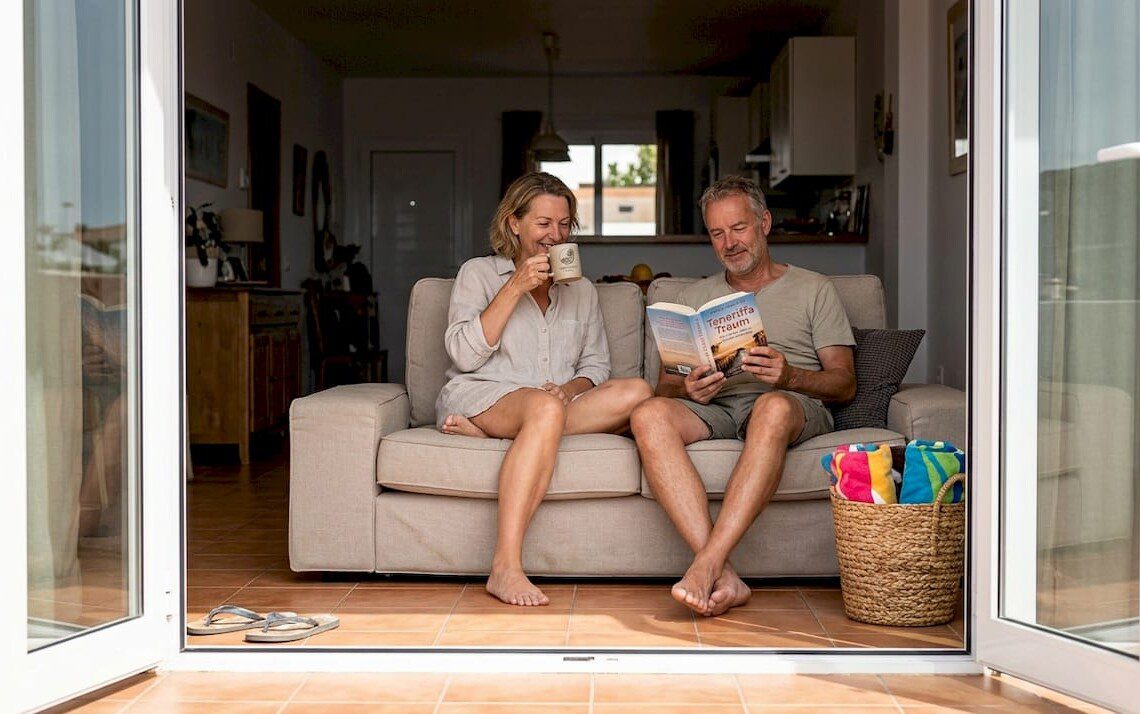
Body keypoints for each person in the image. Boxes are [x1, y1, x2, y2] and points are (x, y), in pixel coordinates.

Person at [630, 175, 856, 617]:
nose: (729, 243)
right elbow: (664, 386)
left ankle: (706, 564)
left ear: (764, 223)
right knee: (649, 414)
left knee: (771, 408)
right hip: (717, 406)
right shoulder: (694, 296)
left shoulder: (814, 289)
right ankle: (724, 573)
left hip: (789, 403)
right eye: (717, 233)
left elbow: (844, 383)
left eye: (739, 228)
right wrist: (687, 387)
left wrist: (790, 376)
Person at [437, 171, 653, 607]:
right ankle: (505, 566)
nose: (555, 236)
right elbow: (463, 354)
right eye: (543, 224)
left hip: (551, 406)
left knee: (637, 392)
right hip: (483, 394)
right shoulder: (478, 274)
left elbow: (596, 366)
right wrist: (515, 285)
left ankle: (513, 436)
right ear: (514, 224)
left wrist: (570, 390)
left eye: (564, 224)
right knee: (542, 409)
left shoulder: (582, 291)